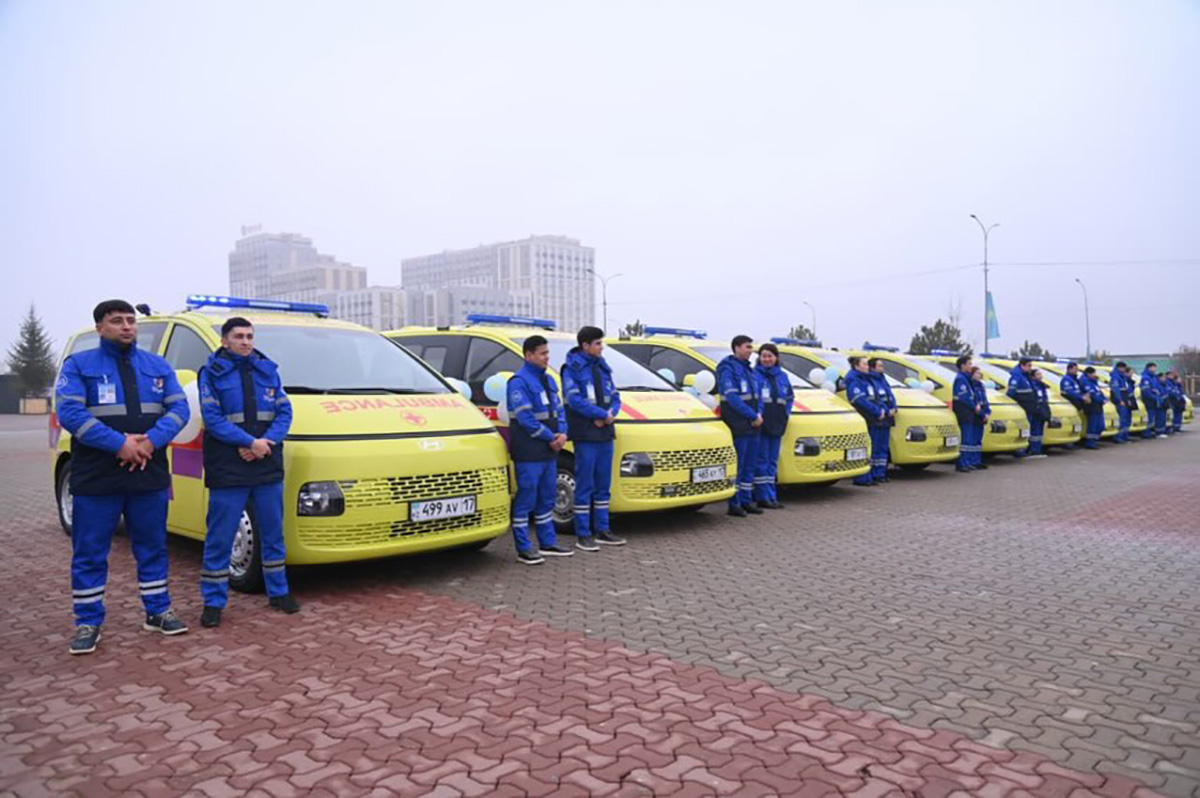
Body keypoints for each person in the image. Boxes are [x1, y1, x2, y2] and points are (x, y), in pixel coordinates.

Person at [54, 300, 191, 655]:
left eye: (131, 320)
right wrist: (119, 445)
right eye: (117, 321)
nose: (127, 326)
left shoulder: (158, 366)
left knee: (152, 546)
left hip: (148, 472)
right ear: (100, 327)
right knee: (90, 552)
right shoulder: (79, 365)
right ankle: (88, 622)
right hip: (97, 477)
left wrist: (151, 441)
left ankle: (158, 612)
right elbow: (69, 412)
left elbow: (180, 409)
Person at [197, 317, 299, 628]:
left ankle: (278, 592)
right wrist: (249, 442)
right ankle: (213, 602)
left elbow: (284, 412)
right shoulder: (211, 373)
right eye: (239, 336)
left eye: (249, 336)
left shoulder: (267, 370)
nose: (245, 342)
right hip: (229, 466)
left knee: (273, 532)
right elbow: (213, 419)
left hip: (266, 462)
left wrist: (264, 443)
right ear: (224, 341)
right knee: (220, 536)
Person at [507, 335, 574, 564]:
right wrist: (550, 437)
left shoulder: (549, 380)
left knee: (547, 497)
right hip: (529, 451)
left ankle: (547, 543)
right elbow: (526, 419)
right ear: (528, 355)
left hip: (548, 451)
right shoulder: (518, 382)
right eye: (542, 353)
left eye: (547, 353)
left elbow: (559, 411)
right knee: (526, 498)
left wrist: (563, 433)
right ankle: (524, 548)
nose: (547, 357)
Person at [562, 326, 625, 551]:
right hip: (586, 434)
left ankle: (603, 530)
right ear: (585, 345)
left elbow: (615, 396)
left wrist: (610, 415)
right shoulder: (572, 369)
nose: (601, 347)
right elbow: (574, 400)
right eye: (597, 343)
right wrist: (599, 415)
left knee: (603, 484)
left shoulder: (602, 366)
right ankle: (583, 533)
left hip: (605, 433)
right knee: (585, 485)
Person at [717, 335, 764, 516]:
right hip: (739, 423)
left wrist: (759, 414)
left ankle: (746, 500)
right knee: (739, 465)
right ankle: (734, 503)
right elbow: (732, 398)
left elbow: (758, 396)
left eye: (751, 347)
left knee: (749, 466)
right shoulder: (727, 368)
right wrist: (752, 415)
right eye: (747, 347)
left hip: (753, 423)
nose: (750, 350)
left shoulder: (749, 369)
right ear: (736, 348)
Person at [753, 343, 794, 509]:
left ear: (776, 358)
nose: (767, 359)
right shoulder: (755, 375)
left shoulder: (782, 376)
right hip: (762, 423)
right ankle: (762, 496)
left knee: (772, 461)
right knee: (762, 461)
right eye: (764, 356)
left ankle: (772, 495)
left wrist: (786, 414)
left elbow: (789, 397)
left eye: (770, 356)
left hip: (778, 422)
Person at [1006, 358, 1045, 458]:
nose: (1030, 368)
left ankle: (1029, 449)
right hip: (1023, 407)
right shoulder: (1017, 377)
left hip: (1029, 407)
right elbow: (1011, 393)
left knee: (1028, 428)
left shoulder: (1025, 376)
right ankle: (1020, 450)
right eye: (1029, 365)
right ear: (1022, 365)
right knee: (1023, 429)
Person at [950, 355, 979, 473]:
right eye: (969, 364)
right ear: (962, 366)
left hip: (968, 412)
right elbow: (964, 397)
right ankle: (961, 463)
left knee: (968, 438)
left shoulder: (967, 379)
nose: (970, 366)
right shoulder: (961, 379)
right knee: (965, 438)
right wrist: (974, 407)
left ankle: (967, 462)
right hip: (964, 411)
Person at [1079, 366, 1107, 449]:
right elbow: (1092, 393)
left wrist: (1104, 398)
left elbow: (1098, 392)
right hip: (1091, 406)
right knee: (1093, 425)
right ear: (1089, 374)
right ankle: (1090, 442)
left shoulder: (1093, 382)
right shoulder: (1084, 382)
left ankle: (1094, 440)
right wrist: (1101, 400)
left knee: (1101, 425)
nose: (1095, 375)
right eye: (1093, 373)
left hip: (1098, 405)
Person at [972, 366, 994, 469]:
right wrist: (982, 414)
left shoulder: (981, 386)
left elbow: (985, 401)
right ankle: (972, 461)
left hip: (982, 415)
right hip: (976, 415)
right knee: (973, 439)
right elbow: (974, 403)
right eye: (977, 373)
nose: (979, 375)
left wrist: (987, 413)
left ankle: (977, 461)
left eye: (980, 373)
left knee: (979, 440)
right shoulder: (972, 386)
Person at [1140, 362, 1167, 438]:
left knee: (1156, 417)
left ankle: (1156, 432)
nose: (1154, 369)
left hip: (1155, 400)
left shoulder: (1154, 377)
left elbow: (1157, 388)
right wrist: (1154, 397)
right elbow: (1146, 391)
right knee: (1150, 418)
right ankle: (1147, 433)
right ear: (1149, 368)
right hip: (1150, 401)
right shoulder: (1146, 378)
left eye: (1155, 367)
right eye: (1153, 367)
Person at [1109, 361, 1134, 444]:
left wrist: (1128, 400)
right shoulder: (1116, 377)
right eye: (1123, 368)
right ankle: (1118, 437)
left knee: (1126, 418)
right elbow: (1116, 390)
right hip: (1120, 399)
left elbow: (1127, 389)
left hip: (1125, 398)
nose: (1124, 369)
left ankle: (1124, 436)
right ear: (1119, 368)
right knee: (1122, 418)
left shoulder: (1122, 377)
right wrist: (1120, 400)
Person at [1030, 369, 1052, 455]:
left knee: (1040, 431)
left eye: (1040, 374)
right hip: (1036, 410)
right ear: (1033, 376)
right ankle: (1033, 449)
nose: (1040, 376)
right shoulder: (1033, 385)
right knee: (1035, 431)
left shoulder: (1041, 385)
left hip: (1042, 410)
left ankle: (1038, 448)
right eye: (1038, 374)